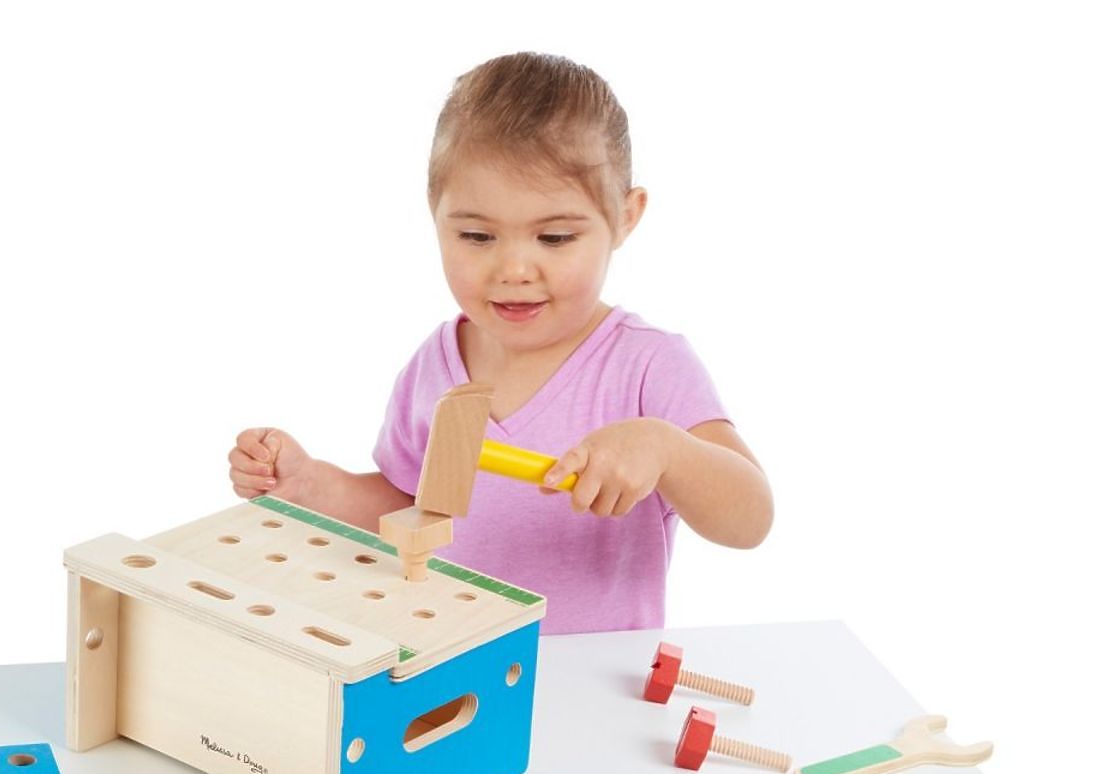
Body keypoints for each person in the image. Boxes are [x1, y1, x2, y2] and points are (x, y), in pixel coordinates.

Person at [228, 51, 772, 634]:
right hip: (454, 661)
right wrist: (312, 485)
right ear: (435, 214)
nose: (514, 269)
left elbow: (751, 518)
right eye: (476, 235)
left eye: (554, 237)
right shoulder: (435, 365)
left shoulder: (647, 365)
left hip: (597, 672)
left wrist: (668, 451)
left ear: (625, 217)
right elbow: (410, 509)